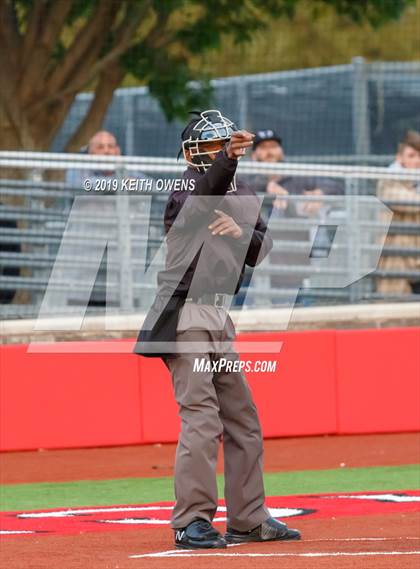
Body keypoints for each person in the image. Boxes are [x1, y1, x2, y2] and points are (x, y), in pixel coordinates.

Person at [133, 110, 301, 549]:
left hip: (220, 315)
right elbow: (205, 196)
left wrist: (242, 230)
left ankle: (248, 518)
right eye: (212, 146)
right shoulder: (187, 186)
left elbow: (263, 248)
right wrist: (227, 161)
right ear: (195, 152)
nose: (220, 152)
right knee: (201, 420)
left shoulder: (240, 190)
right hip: (184, 313)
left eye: (225, 145)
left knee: (243, 418)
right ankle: (191, 521)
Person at [377, 130, 420, 295]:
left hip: (417, 258)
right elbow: (408, 202)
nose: (417, 161)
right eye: (411, 155)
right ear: (399, 157)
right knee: (396, 309)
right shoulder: (388, 179)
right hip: (396, 259)